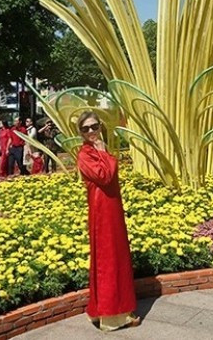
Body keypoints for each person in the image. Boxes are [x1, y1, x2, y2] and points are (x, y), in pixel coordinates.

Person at [76, 111, 139, 331]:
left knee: (116, 255)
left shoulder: (97, 150)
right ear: (81, 133)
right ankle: (112, 317)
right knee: (107, 258)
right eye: (85, 129)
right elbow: (105, 176)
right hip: (102, 212)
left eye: (94, 126)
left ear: (100, 126)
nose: (91, 131)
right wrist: (105, 154)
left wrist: (104, 153)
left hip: (112, 209)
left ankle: (104, 310)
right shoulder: (86, 153)